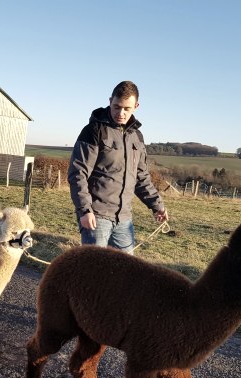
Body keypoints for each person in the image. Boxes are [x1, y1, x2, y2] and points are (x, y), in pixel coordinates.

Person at [68, 81, 168, 254]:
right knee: (95, 272)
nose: (121, 113)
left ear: (136, 106)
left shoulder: (136, 136)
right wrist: (84, 210)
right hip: (96, 216)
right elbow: (78, 174)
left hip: (124, 219)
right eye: (116, 107)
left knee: (125, 274)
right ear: (110, 101)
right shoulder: (94, 130)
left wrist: (156, 205)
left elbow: (141, 177)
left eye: (126, 109)